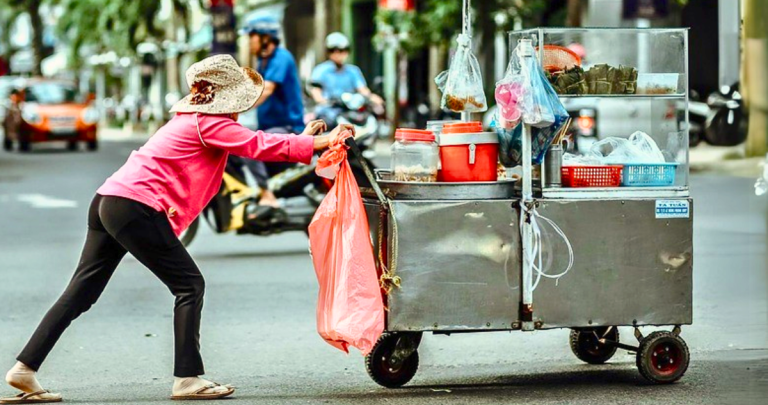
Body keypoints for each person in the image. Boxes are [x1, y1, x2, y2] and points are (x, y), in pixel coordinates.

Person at [0, 54, 347, 404]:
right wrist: (319, 142)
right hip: (135, 207)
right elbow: (257, 145)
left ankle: (24, 369)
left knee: (80, 292)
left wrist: (304, 140)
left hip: (110, 199)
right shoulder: (209, 123)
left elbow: (252, 142)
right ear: (228, 99)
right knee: (189, 284)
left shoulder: (192, 119)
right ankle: (187, 378)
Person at [236, 15, 306, 208]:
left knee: (247, 146)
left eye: (252, 37)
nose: (249, 42)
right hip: (270, 126)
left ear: (265, 37)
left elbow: (266, 89)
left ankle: (266, 194)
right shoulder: (263, 62)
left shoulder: (281, 58)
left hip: (288, 127)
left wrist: (236, 108)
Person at [310, 32, 384, 126]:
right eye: (333, 50)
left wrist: (373, 98)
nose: (337, 54)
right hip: (328, 111)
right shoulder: (320, 70)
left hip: (349, 109)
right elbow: (316, 92)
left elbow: (362, 90)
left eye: (341, 50)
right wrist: (324, 101)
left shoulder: (353, 71)